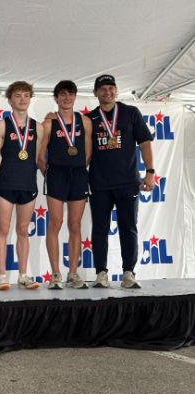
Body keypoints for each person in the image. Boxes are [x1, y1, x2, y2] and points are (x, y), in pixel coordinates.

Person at [87, 75, 154, 288]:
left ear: (116, 90)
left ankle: (128, 273)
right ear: (96, 93)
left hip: (127, 182)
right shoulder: (89, 119)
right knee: (99, 229)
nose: (107, 92)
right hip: (99, 183)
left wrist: (150, 172)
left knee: (128, 228)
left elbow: (144, 143)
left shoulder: (130, 113)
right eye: (102, 89)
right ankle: (101, 273)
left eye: (111, 88)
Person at [38, 80, 91, 290]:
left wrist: (77, 167)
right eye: (62, 94)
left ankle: (73, 273)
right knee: (56, 222)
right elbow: (39, 155)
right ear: (56, 98)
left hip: (78, 175)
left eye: (70, 94)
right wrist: (49, 173)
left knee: (75, 225)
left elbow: (88, 153)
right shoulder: (49, 123)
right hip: (56, 175)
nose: (67, 98)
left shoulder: (85, 122)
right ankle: (56, 274)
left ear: (75, 97)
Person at [0, 81, 43, 291]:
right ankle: (2, 275)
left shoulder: (37, 127)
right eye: (18, 95)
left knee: (22, 231)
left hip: (28, 184)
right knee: (3, 229)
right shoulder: (2, 125)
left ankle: (23, 274)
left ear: (30, 99)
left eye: (26, 95)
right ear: (10, 99)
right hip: (6, 184)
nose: (22, 99)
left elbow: (37, 157)